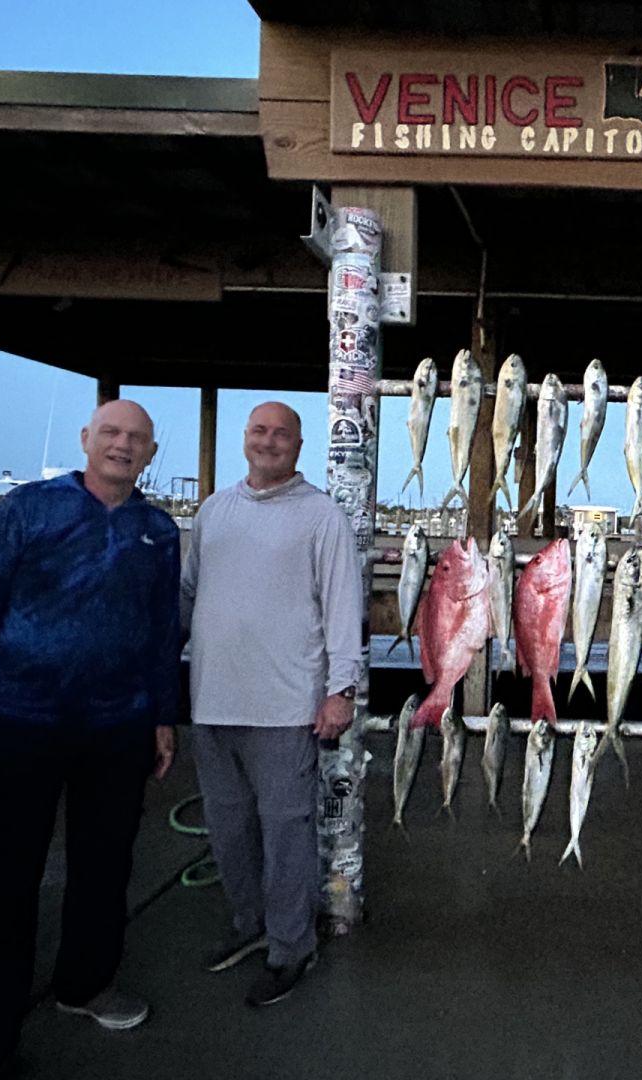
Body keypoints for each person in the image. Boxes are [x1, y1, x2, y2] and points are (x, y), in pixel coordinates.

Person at [0, 400, 180, 1080]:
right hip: (24, 721)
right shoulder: (29, 510)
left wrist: (162, 715)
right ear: (87, 440)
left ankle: (85, 985)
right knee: (7, 875)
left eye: (136, 438)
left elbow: (160, 632)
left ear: (150, 453)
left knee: (105, 867)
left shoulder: (158, 530)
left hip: (118, 729)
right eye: (111, 433)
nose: (122, 445)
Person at [181, 401, 362, 1007]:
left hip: (286, 709)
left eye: (281, 433)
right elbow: (188, 597)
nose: (269, 441)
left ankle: (291, 947)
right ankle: (248, 926)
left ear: (299, 445)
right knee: (230, 831)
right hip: (211, 704)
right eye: (259, 430)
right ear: (244, 440)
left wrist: (341, 690)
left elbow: (342, 608)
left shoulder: (322, 516)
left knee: (286, 835)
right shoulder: (212, 511)